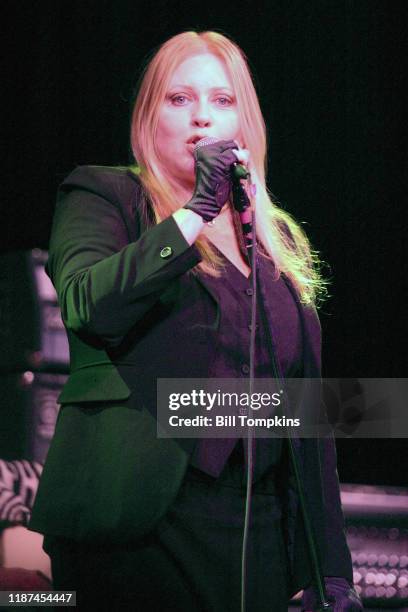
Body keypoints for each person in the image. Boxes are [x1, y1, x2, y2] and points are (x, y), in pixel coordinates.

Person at [28, 31, 362, 611]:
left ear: (245, 124)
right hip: (141, 523)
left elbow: (307, 413)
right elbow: (88, 305)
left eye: (222, 102)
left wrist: (329, 567)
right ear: (148, 116)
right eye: (179, 100)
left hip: (256, 529)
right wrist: (193, 214)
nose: (202, 119)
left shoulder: (275, 241)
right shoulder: (106, 196)